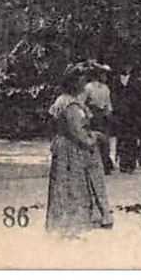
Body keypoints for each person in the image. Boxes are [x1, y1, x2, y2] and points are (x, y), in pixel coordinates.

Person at [45, 65, 112, 234]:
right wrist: (93, 138)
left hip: (62, 145)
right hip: (72, 148)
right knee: (75, 184)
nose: (84, 84)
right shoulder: (72, 105)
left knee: (63, 184)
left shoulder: (61, 100)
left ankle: (61, 220)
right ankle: (73, 222)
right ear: (75, 83)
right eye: (82, 81)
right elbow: (78, 132)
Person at [114, 64, 141, 174]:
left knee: (132, 139)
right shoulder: (116, 81)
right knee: (122, 139)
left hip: (133, 114)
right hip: (121, 114)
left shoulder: (137, 82)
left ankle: (131, 162)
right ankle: (123, 162)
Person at [83, 65, 114, 175]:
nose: (105, 77)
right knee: (93, 139)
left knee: (105, 140)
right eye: (103, 74)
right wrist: (88, 115)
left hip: (102, 115)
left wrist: (108, 113)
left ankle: (105, 164)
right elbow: (83, 103)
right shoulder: (89, 87)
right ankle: (92, 164)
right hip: (92, 114)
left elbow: (108, 102)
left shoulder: (105, 88)